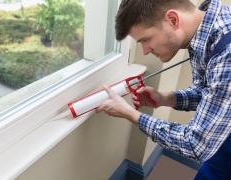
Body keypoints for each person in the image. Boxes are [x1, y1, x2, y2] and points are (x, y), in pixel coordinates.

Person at [96, 0, 231, 179]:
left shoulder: (227, 53)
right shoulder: (207, 28)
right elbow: (213, 95)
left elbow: (195, 145)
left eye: (146, 40)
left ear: (173, 20)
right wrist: (166, 98)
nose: (144, 51)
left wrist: (131, 114)